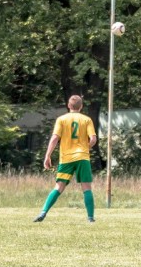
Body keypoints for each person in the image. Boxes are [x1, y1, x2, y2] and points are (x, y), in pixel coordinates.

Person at [34, 95, 97, 223]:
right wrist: (86, 148)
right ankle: (90, 218)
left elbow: (54, 138)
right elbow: (93, 139)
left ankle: (43, 213)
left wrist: (47, 156)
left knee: (58, 187)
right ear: (81, 106)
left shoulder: (61, 119)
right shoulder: (87, 120)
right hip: (82, 157)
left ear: (68, 106)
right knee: (86, 187)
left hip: (66, 158)